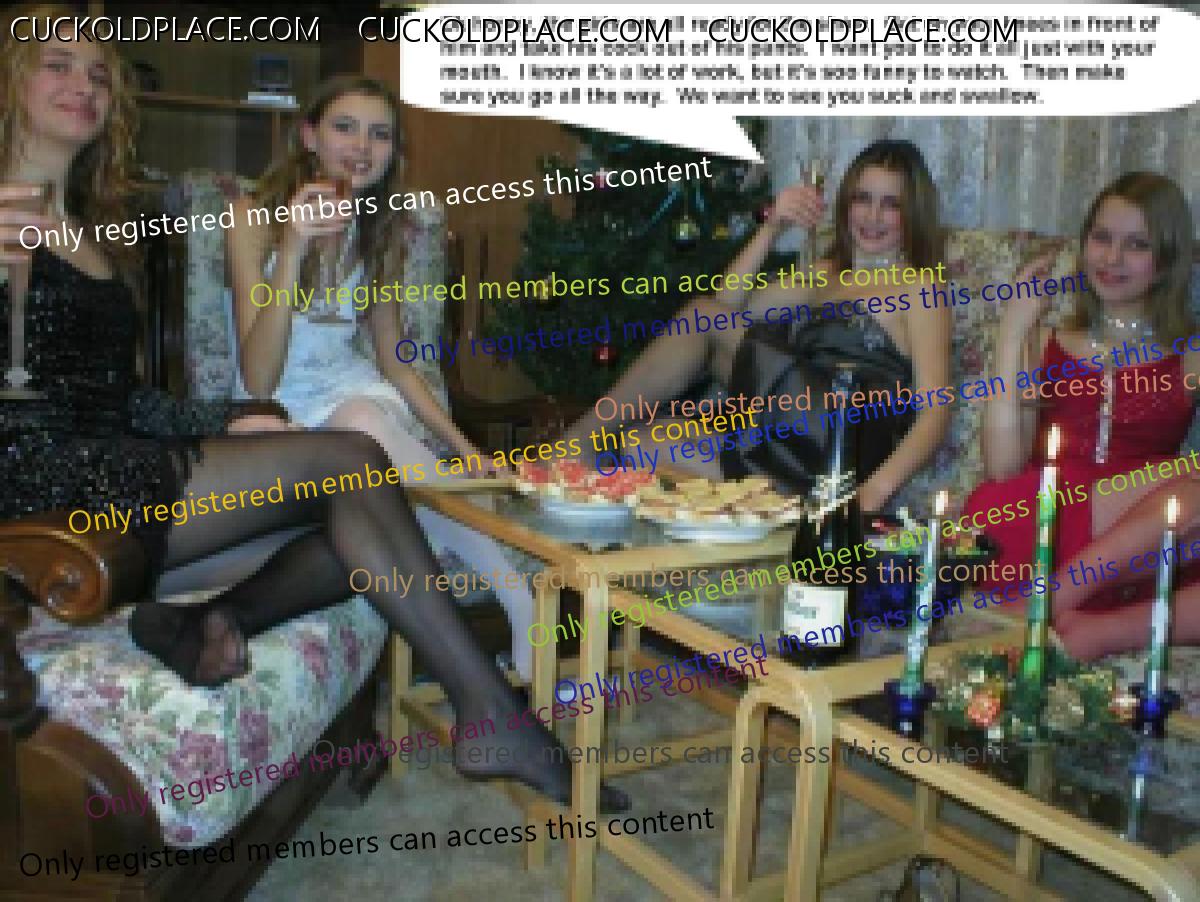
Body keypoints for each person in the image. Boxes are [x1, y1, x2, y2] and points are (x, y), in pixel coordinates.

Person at [0, 12, 624, 811]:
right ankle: (492, 712)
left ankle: (208, 623)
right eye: (57, 64)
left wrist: (226, 419)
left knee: (349, 531)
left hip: (116, 471)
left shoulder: (84, 227)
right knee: (354, 459)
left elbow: (114, 396)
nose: (83, 85)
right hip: (50, 496)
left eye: (97, 73)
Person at [226, 75, 538, 680]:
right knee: (369, 441)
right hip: (275, 408)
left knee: (366, 418)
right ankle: (495, 612)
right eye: (344, 128)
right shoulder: (253, 218)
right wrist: (292, 249)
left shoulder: (380, 231)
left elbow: (396, 362)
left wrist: (463, 448)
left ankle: (514, 604)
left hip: (352, 394)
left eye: (380, 135)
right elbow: (258, 379)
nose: (362, 147)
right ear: (309, 136)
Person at [565, 139, 951, 512]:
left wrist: (872, 495)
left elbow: (935, 412)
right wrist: (771, 229)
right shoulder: (825, 274)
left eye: (891, 204)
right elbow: (726, 304)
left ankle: (578, 440)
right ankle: (783, 507)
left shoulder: (920, 286)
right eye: (862, 199)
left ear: (913, 214)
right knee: (643, 443)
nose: (872, 216)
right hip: (792, 436)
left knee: (703, 316)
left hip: (844, 434)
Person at [964, 171, 1200, 660]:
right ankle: (1049, 601)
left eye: (1136, 245)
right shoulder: (1045, 341)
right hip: (1039, 522)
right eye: (1102, 238)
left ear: (1167, 260)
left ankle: (1094, 628)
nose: (1112, 258)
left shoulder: (1190, 354)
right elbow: (1002, 468)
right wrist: (1012, 331)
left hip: (1145, 540)